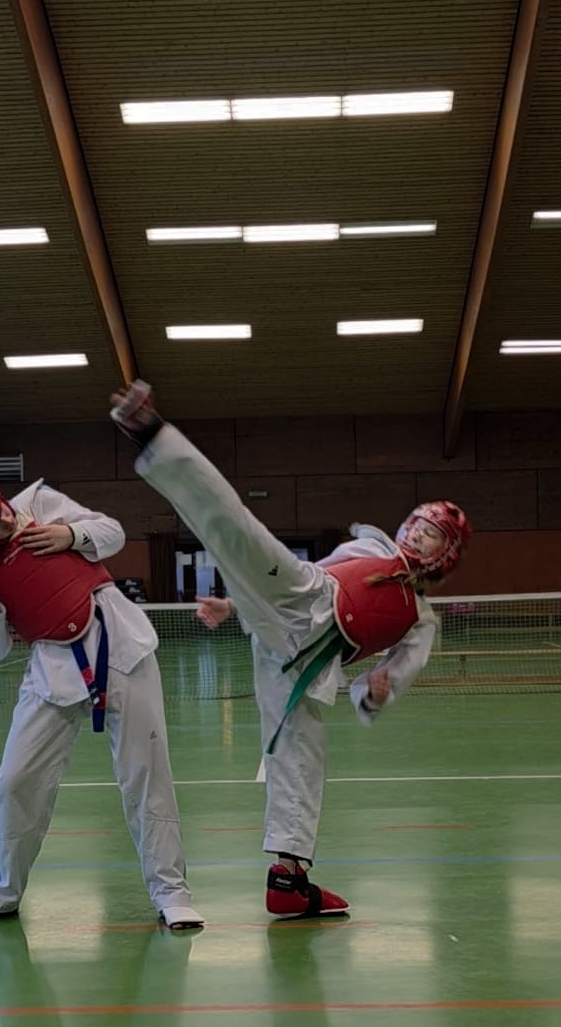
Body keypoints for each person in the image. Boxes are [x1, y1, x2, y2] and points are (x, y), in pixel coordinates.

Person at [109, 382, 471, 921]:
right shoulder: (372, 546)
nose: (419, 537)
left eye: (432, 536)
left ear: (448, 553)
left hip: (303, 664)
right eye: (418, 527)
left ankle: (289, 878)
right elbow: (314, 573)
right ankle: (152, 433)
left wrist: (376, 690)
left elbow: (397, 673)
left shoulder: (422, 620)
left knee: (301, 761)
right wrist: (235, 604)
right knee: (235, 528)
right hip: (305, 595)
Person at [0, 474, 202, 930]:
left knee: (146, 775)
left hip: (122, 649)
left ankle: (172, 893)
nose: (1, 526)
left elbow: (112, 532)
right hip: (50, 670)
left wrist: (71, 534)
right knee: (15, 780)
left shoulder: (38, 502)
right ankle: (0, 890)